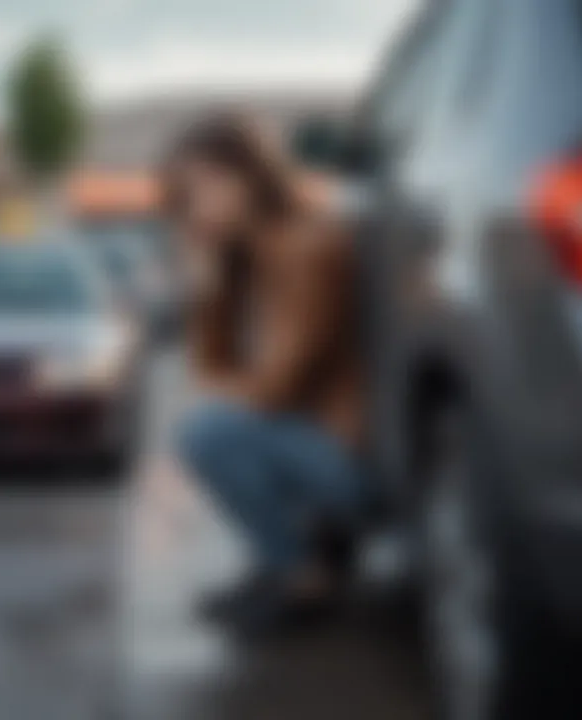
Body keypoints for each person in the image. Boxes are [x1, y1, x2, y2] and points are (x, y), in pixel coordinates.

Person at [163, 115, 369, 636]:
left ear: (250, 177)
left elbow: (276, 388)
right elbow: (213, 369)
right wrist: (206, 286)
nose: (195, 207)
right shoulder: (248, 261)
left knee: (206, 432)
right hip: (312, 445)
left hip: (352, 460)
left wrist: (220, 391)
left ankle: (299, 574)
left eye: (205, 187)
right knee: (210, 427)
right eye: (184, 196)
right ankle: (278, 562)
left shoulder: (304, 246)